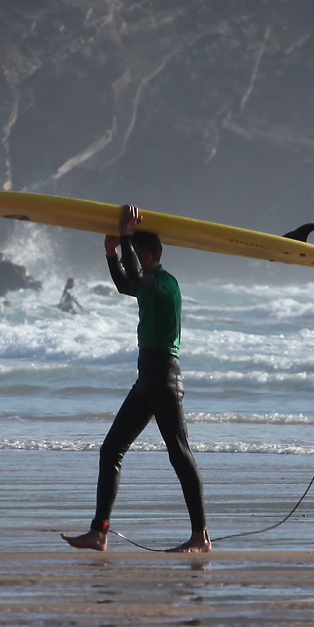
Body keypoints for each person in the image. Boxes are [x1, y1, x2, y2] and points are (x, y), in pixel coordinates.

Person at [64, 204, 208, 553]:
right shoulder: (147, 284)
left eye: (136, 253)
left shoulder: (164, 282)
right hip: (147, 380)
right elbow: (123, 282)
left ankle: (200, 536)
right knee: (111, 449)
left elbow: (137, 275)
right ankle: (99, 532)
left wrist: (126, 234)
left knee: (179, 453)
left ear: (146, 254)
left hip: (165, 378)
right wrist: (111, 250)